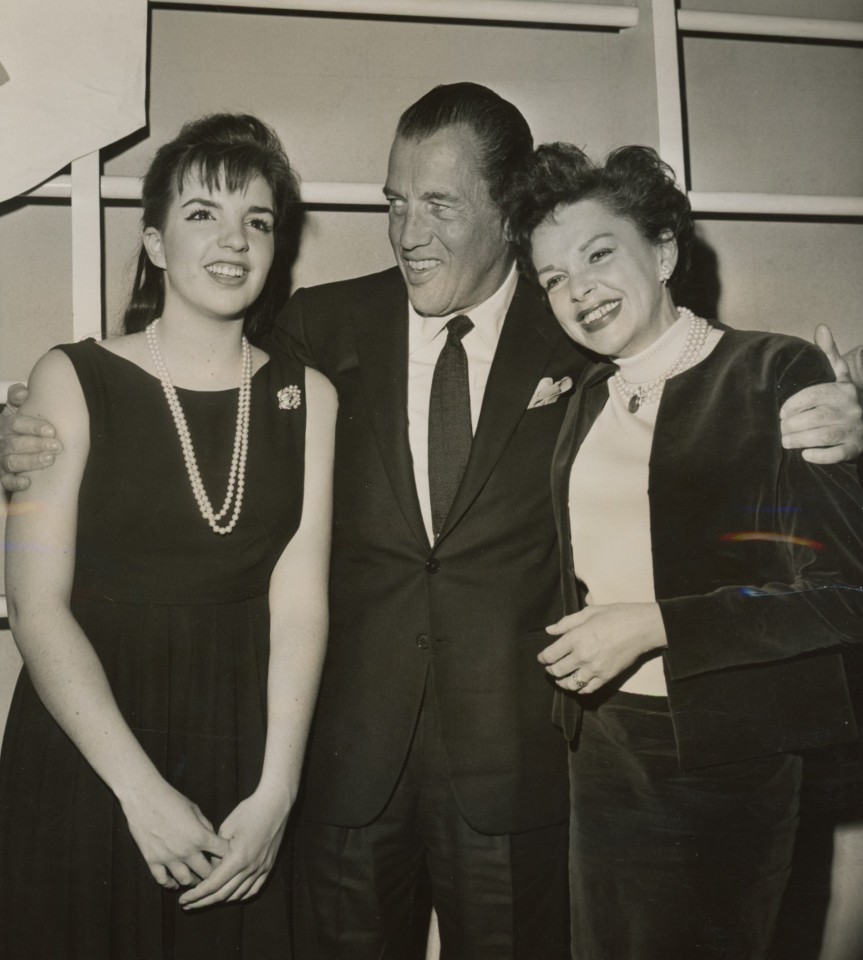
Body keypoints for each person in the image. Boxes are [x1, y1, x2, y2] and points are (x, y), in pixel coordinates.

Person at [1, 84, 862, 959]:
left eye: (439, 206)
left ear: (506, 216)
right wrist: (29, 433)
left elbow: (698, 384)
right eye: (394, 203)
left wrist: (837, 415)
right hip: (340, 770)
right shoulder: (316, 327)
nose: (409, 233)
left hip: (522, 770)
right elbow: (194, 385)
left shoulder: (576, 323)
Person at [504, 141, 863, 960]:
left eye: (598, 254)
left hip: (727, 760)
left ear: (663, 249)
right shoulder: (583, 394)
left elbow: (845, 594)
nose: (577, 289)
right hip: (601, 748)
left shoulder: (772, 371)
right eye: (552, 277)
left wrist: (659, 624)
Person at [0, 113, 336, 960]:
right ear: (152, 241)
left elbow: (299, 607)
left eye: (256, 221)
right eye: (201, 215)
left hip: (243, 750)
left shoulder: (312, 398)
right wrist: (140, 793)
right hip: (93, 748)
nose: (234, 241)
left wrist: (278, 794)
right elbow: (36, 609)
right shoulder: (70, 378)